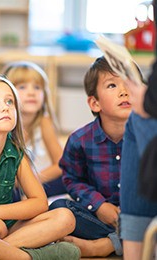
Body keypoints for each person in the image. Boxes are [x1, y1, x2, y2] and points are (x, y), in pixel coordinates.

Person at [0, 75, 80, 260]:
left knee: (65, 218)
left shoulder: (16, 152)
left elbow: (39, 202)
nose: (5, 107)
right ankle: (26, 257)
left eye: (9, 101)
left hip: (5, 229)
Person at [49, 56, 135, 257]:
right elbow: (72, 179)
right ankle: (119, 240)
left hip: (140, 219)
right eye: (112, 85)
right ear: (95, 103)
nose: (124, 91)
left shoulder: (149, 137)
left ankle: (106, 245)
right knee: (60, 207)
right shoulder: (80, 140)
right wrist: (98, 205)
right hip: (100, 219)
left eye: (130, 84)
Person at [119, 1, 157, 259]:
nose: (122, 92)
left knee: (137, 120)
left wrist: (146, 100)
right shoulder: (83, 137)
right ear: (93, 103)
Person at [2, 61, 66, 199]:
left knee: (72, 179)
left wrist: (34, 180)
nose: (31, 92)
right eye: (22, 87)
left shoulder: (44, 121)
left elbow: (61, 163)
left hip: (41, 180)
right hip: (14, 186)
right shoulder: (3, 125)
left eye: (37, 87)